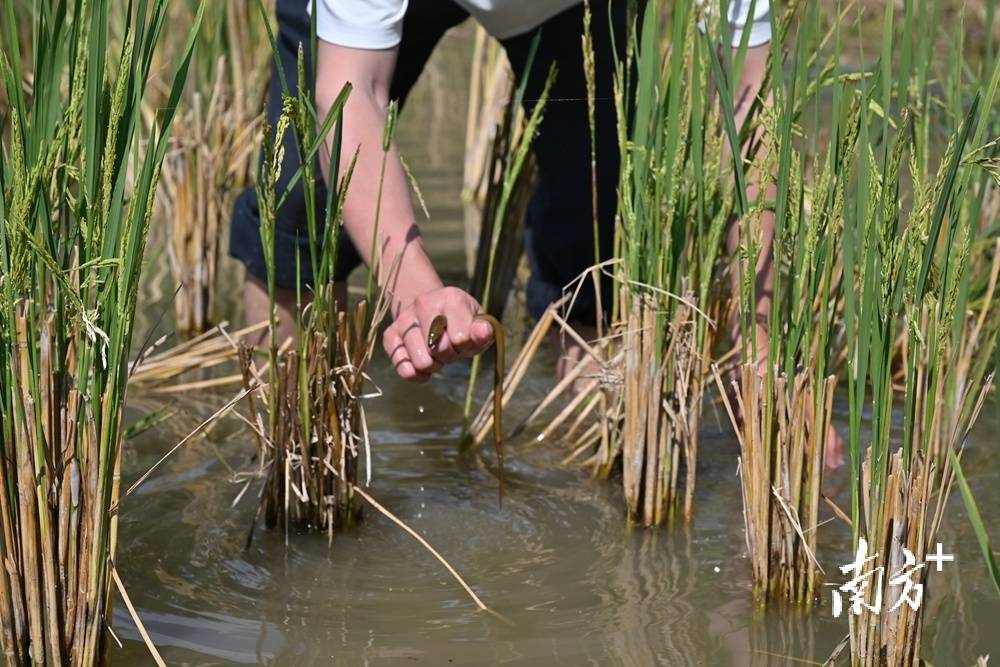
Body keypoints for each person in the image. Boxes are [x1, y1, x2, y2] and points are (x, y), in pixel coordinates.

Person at [230, 0, 774, 380]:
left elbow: (750, 100)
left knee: (594, 235)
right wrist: (416, 292)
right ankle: (284, 470)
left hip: (573, 10)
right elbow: (350, 94)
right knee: (299, 203)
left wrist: (762, 350)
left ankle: (572, 489)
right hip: (360, 37)